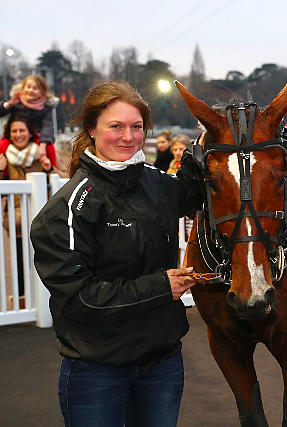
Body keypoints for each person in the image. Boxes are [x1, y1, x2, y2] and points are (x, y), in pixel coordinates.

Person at [30, 81, 203, 427]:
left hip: (161, 363)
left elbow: (198, 195)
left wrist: (207, 142)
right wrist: (161, 287)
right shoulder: (65, 210)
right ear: (92, 130)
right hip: (97, 369)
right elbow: (80, 299)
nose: (128, 137)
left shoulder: (158, 183)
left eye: (136, 127)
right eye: (116, 126)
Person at [1, 115, 55, 308]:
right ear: (9, 135)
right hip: (17, 219)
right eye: (14, 131)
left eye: (22, 130)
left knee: (46, 259)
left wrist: (49, 169)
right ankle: (22, 299)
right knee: (20, 261)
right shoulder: (5, 157)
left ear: (30, 133)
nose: (18, 134)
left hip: (43, 219)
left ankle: (47, 300)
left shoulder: (40, 155)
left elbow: (59, 185)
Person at [0, 75, 59, 167]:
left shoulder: (46, 107)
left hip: (35, 135)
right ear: (23, 88)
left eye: (35, 88)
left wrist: (43, 144)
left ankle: (52, 170)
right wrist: (10, 103)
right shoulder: (17, 100)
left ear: (42, 91)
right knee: (2, 145)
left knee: (49, 147)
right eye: (28, 87)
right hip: (15, 134)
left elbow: (48, 126)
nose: (30, 90)